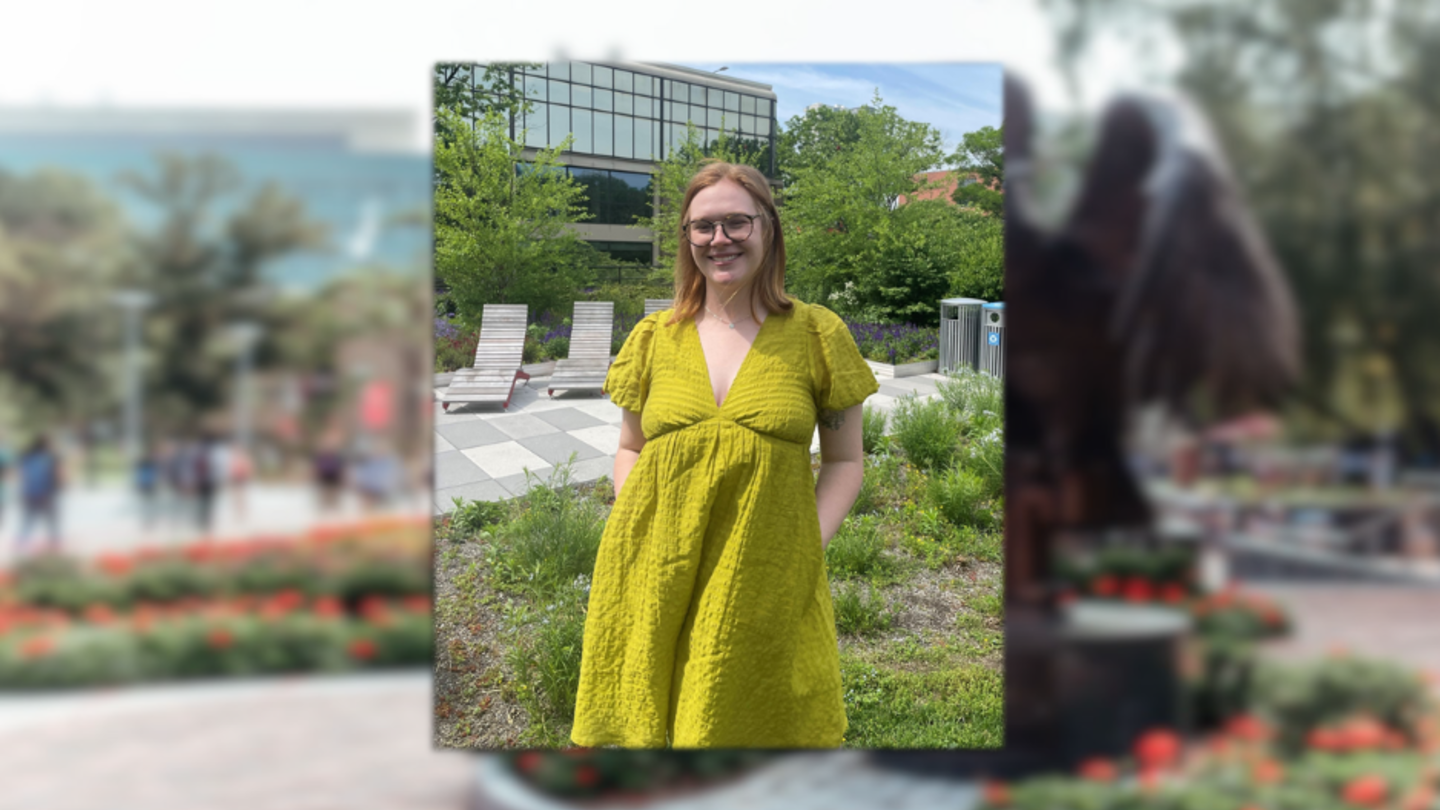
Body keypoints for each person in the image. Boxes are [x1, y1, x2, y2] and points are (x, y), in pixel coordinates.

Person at [571, 162, 877, 748]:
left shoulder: (817, 335)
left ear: (768, 228)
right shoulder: (654, 337)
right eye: (703, 226)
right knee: (651, 715)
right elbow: (629, 447)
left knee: (746, 714)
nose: (720, 239)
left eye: (737, 221)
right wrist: (641, 521)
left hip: (764, 564)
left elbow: (844, 461)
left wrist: (802, 544)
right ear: (687, 238)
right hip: (656, 560)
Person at [17, 436, 63, 553]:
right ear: (47, 445)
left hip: (29, 493)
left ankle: (21, 542)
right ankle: (55, 544)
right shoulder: (51, 458)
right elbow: (59, 474)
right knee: (52, 520)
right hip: (46, 493)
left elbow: (22, 475)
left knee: (28, 520)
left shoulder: (26, 457)